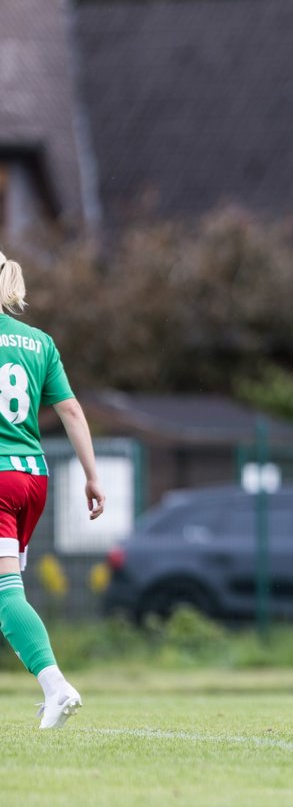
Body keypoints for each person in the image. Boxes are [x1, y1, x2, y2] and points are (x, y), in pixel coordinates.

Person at [0, 251, 105, 729]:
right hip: (33, 480)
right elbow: (73, 413)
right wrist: (92, 475)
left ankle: (56, 686)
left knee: (5, 595)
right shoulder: (39, 341)